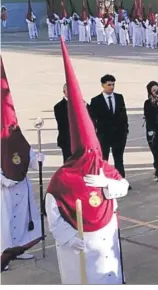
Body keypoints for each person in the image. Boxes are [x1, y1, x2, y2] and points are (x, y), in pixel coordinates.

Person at [46, 39, 130, 284]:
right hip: (78, 245)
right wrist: (66, 236)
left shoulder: (103, 168)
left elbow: (123, 186)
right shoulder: (63, 177)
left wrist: (107, 184)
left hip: (105, 240)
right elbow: (52, 206)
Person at [0, 59, 44, 269]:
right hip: (4, 189)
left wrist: (37, 159)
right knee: (4, 224)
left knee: (21, 220)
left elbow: (25, 152)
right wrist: (3, 179)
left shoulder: (14, 133)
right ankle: (3, 255)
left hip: (21, 185)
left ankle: (18, 249)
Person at [89, 74, 129, 179]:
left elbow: (123, 115)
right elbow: (92, 119)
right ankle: (103, 180)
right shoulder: (96, 100)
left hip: (119, 135)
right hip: (104, 135)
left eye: (113, 84)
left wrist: (125, 130)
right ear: (103, 85)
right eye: (109, 84)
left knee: (119, 159)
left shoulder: (119, 97)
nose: (111, 87)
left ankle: (121, 180)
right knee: (103, 159)